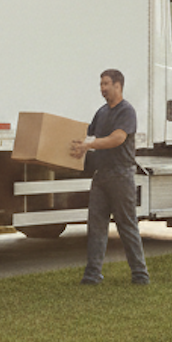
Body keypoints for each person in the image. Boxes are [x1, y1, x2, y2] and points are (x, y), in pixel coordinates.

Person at [69, 69, 150, 285]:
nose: (102, 88)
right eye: (101, 84)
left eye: (106, 84)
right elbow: (87, 133)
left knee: (127, 225)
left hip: (121, 176)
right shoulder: (101, 112)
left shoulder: (127, 111)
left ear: (118, 85)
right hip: (101, 176)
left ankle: (140, 275)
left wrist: (89, 145)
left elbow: (117, 138)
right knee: (96, 226)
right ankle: (92, 274)